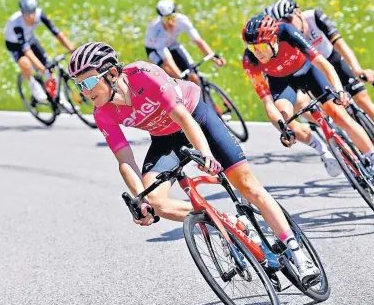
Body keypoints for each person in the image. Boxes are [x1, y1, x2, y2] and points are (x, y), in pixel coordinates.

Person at [68, 41, 321, 284]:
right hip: (164, 138)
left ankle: (298, 254)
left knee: (247, 185)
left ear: (111, 73)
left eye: (89, 82)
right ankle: (228, 222)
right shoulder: (102, 113)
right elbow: (124, 160)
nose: (85, 91)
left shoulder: (144, 74)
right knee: (156, 201)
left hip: (196, 118)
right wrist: (140, 200)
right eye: (79, 85)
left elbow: (183, 118)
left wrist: (206, 154)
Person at [241, 14, 374, 195]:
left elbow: (323, 64)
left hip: (307, 71)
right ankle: (324, 150)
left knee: (338, 114)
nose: (257, 51)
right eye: (252, 47)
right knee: (284, 115)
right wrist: (284, 129)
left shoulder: (287, 32)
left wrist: (339, 91)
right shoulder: (250, 60)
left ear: (274, 39)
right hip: (281, 83)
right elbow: (267, 103)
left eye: (261, 46)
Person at [264, 0, 374, 165]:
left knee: (362, 98)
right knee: (334, 112)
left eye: (288, 20)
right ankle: (350, 146)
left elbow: (340, 44)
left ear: (298, 12)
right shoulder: (283, 38)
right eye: (282, 24)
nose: (287, 26)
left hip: (332, 61)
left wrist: (358, 70)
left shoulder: (314, 17)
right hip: (315, 71)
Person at [4, 0, 74, 107]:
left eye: (32, 13)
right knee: (25, 63)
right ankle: (33, 86)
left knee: (49, 68)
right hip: (14, 45)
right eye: (28, 14)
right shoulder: (16, 24)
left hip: (30, 39)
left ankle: (59, 98)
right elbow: (26, 51)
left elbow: (56, 33)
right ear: (22, 13)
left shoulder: (40, 14)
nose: (31, 17)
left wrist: (72, 49)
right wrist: (41, 69)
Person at [144, 0, 226, 85]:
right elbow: (167, 60)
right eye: (165, 19)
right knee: (174, 77)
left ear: (176, 15)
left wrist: (214, 57)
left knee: (193, 74)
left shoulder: (182, 20)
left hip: (172, 44)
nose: (170, 22)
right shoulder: (156, 31)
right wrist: (180, 76)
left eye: (172, 17)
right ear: (160, 19)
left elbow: (199, 41)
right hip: (154, 50)